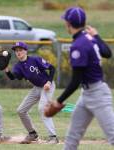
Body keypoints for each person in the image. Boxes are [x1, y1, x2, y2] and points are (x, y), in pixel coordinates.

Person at [44, 6, 114, 150]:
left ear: (68, 24)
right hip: (87, 94)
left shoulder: (78, 45)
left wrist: (58, 102)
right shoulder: (89, 37)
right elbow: (107, 53)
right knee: (72, 138)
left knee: (113, 135)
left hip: (98, 94)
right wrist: (96, 36)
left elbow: (76, 80)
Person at [4, 41, 59, 144]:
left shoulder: (35, 59)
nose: (18, 52)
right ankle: (32, 134)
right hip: (37, 88)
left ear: (26, 51)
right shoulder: (18, 66)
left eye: (20, 50)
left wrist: (49, 82)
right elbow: (14, 77)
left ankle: (53, 137)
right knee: (21, 110)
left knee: (42, 108)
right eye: (16, 51)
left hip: (47, 86)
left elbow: (52, 68)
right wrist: (7, 71)